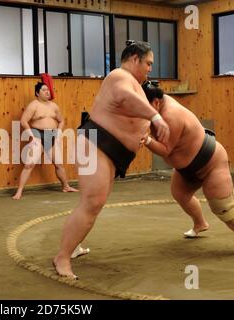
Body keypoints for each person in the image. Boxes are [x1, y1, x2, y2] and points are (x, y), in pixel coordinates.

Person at [53, 40, 170, 279]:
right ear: (134, 58)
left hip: (111, 151)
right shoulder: (119, 76)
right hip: (97, 143)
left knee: (95, 204)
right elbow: (124, 97)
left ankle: (72, 247)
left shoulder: (137, 84)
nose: (150, 68)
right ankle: (62, 257)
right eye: (148, 63)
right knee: (92, 202)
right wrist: (155, 117)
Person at [141, 80, 234, 255]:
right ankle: (200, 224)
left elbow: (166, 150)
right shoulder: (152, 108)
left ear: (156, 103)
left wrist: (148, 140)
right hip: (186, 169)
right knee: (180, 194)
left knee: (224, 208)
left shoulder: (171, 116)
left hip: (211, 162)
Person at [12, 82, 78, 200]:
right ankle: (19, 191)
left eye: (48, 90)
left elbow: (61, 121)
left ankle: (66, 186)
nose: (47, 92)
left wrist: (58, 133)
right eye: (44, 90)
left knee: (58, 164)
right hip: (37, 134)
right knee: (29, 164)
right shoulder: (34, 105)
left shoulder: (54, 106)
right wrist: (31, 136)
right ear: (37, 93)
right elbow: (23, 121)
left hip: (51, 135)